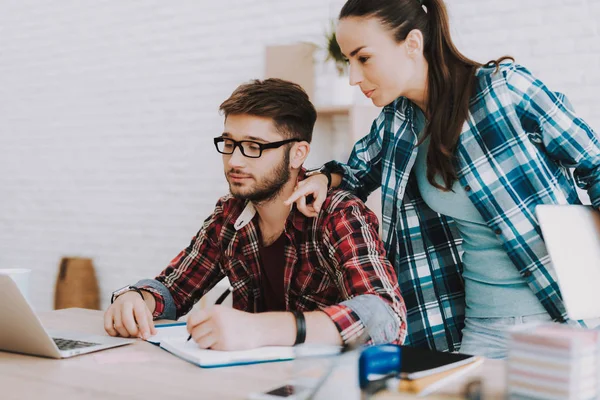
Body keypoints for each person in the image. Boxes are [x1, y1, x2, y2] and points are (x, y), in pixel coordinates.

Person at [285, 0, 600, 358]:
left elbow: (596, 162)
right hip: (479, 326)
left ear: (413, 44)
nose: (355, 77)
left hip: (560, 320)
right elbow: (353, 172)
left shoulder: (505, 92)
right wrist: (324, 178)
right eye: (348, 62)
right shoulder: (397, 122)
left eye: (364, 58)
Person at [104, 78, 406, 351]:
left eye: (253, 147)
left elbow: (385, 315)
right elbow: (172, 289)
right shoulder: (229, 216)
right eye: (230, 144)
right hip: (249, 383)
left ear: (298, 154)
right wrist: (135, 299)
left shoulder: (337, 215)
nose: (235, 160)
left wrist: (264, 328)